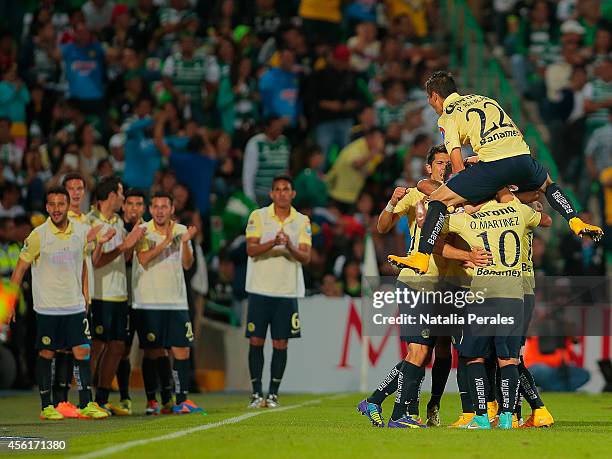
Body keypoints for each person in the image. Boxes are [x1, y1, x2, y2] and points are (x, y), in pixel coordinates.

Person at [387, 71, 603, 274]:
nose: (429, 103)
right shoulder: (485, 100)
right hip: (522, 157)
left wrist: (465, 181)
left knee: (437, 200)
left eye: (429, 98)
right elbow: (515, 133)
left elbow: (456, 161)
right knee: (548, 185)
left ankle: (421, 256)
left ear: (435, 96)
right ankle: (576, 221)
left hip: (493, 165)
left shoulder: (448, 115)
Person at [357, 145, 491, 428]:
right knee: (418, 350)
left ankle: (383, 402)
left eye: (447, 163)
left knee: (433, 350)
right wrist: (392, 203)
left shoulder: (458, 196)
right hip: (417, 282)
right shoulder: (418, 194)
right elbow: (382, 226)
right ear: (429, 167)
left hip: (447, 286)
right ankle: (399, 413)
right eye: (439, 163)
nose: (444, 167)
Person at [443, 188, 552, 429]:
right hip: (515, 294)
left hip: (483, 294)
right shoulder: (518, 212)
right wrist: (533, 206)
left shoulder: (470, 219)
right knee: (509, 359)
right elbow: (546, 220)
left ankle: (481, 416)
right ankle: (508, 416)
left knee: (475, 357)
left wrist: (459, 210)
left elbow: (431, 226)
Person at [9, 187, 108, 420]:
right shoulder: (37, 235)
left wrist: (85, 295)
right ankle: (47, 406)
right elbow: (20, 269)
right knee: (47, 352)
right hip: (47, 306)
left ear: (68, 206)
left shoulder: (81, 232)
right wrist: (10, 302)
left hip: (74, 305)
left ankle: (86, 403)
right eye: (51, 204)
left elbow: (83, 265)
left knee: (82, 351)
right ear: (46, 207)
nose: (56, 209)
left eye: (60, 204)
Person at [132, 191, 204, 414]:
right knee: (152, 351)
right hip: (149, 300)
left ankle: (181, 400)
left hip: (176, 301)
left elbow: (187, 263)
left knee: (182, 350)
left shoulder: (181, 230)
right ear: (151, 209)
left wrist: (183, 244)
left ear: (172, 209)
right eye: (156, 206)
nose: (160, 211)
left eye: (165, 206)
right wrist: (166, 241)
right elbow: (143, 259)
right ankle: (152, 400)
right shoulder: (143, 231)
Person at [244, 175, 311, 408]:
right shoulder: (258, 216)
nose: (282, 193)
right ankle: (255, 393)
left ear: (292, 194)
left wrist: (289, 245)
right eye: (278, 190)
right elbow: (250, 249)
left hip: (286, 291)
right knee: (256, 341)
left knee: (281, 343)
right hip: (259, 289)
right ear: (271, 194)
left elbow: (306, 256)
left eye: (286, 189)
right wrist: (273, 242)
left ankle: (272, 394)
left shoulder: (301, 221)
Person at [87, 176, 144, 415]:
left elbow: (124, 258)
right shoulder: (91, 223)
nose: (124, 198)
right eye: (121, 194)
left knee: (118, 347)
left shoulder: (118, 221)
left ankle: (101, 399)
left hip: (120, 294)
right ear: (112, 195)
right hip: (100, 293)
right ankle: (84, 397)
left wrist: (132, 242)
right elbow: (96, 261)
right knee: (97, 346)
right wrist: (123, 246)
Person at [116, 188, 147, 415]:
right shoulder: (117, 228)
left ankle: (155, 399)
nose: (134, 208)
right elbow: (123, 258)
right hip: (122, 298)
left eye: (139, 204)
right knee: (122, 349)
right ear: (123, 206)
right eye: (130, 204)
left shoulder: (151, 229)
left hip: (146, 299)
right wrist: (132, 238)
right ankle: (125, 397)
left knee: (153, 349)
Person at [242, 116, 290, 206]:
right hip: (261, 194)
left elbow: (285, 169)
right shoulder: (256, 143)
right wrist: (250, 198)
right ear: (267, 127)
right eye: (275, 126)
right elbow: (248, 173)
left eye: (280, 126)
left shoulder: (284, 142)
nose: (278, 129)